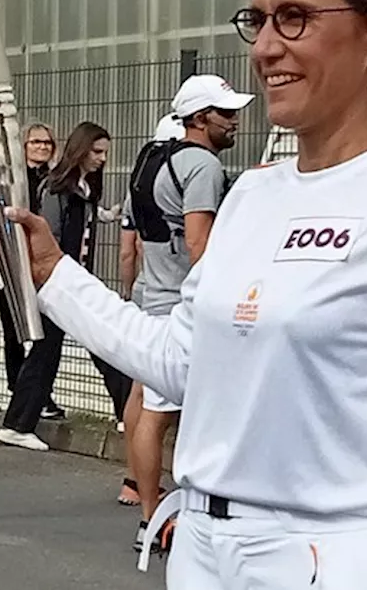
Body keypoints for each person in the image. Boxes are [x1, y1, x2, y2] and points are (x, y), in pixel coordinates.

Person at [0, 0, 367, 588]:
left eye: (295, 18)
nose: (267, 47)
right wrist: (51, 270)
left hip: (331, 556)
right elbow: (178, 360)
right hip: (202, 549)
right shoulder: (251, 196)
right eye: (258, 20)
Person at [121, 74, 250, 554]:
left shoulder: (152, 157)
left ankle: (143, 501)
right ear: (200, 119)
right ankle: (155, 518)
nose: (235, 120)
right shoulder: (201, 166)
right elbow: (200, 244)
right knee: (166, 412)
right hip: (180, 307)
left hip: (152, 296)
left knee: (146, 402)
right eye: (226, 113)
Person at [0, 122, 109, 451]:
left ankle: (21, 419)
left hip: (73, 276)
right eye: (96, 151)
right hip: (56, 277)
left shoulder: (84, 189)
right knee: (47, 348)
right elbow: (51, 235)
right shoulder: (58, 188)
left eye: (104, 153)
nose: (102, 159)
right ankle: (18, 421)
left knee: (63, 345)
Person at [114, 114, 185, 508]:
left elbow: (129, 249)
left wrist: (128, 290)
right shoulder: (184, 182)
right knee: (160, 401)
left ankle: (133, 478)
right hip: (172, 297)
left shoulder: (139, 185)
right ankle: (148, 491)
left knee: (141, 388)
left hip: (145, 289)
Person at [0, 122, 61, 418]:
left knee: (43, 334)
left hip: (42, 264)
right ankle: (17, 390)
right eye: (36, 142)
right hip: (12, 261)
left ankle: (38, 395)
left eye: (47, 143)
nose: (42, 147)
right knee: (14, 331)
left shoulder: (54, 179)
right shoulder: (12, 178)